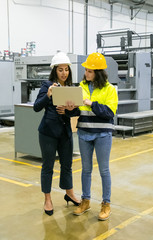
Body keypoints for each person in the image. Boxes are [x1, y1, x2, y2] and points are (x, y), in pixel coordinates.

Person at [66, 52, 118, 220]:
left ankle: (106, 204)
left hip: (102, 134)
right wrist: (70, 108)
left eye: (89, 71)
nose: (86, 73)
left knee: (104, 170)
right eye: (86, 70)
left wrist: (92, 104)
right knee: (86, 170)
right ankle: (85, 201)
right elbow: (77, 111)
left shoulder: (110, 89)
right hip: (84, 132)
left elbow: (109, 113)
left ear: (98, 72)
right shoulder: (80, 87)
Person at [33, 52, 80, 216]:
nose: (64, 73)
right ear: (55, 70)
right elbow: (36, 107)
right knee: (48, 167)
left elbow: (77, 111)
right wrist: (48, 96)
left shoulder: (71, 88)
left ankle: (70, 193)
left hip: (65, 133)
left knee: (67, 165)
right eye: (60, 70)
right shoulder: (47, 86)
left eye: (66, 69)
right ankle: (47, 199)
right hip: (48, 133)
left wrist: (67, 110)